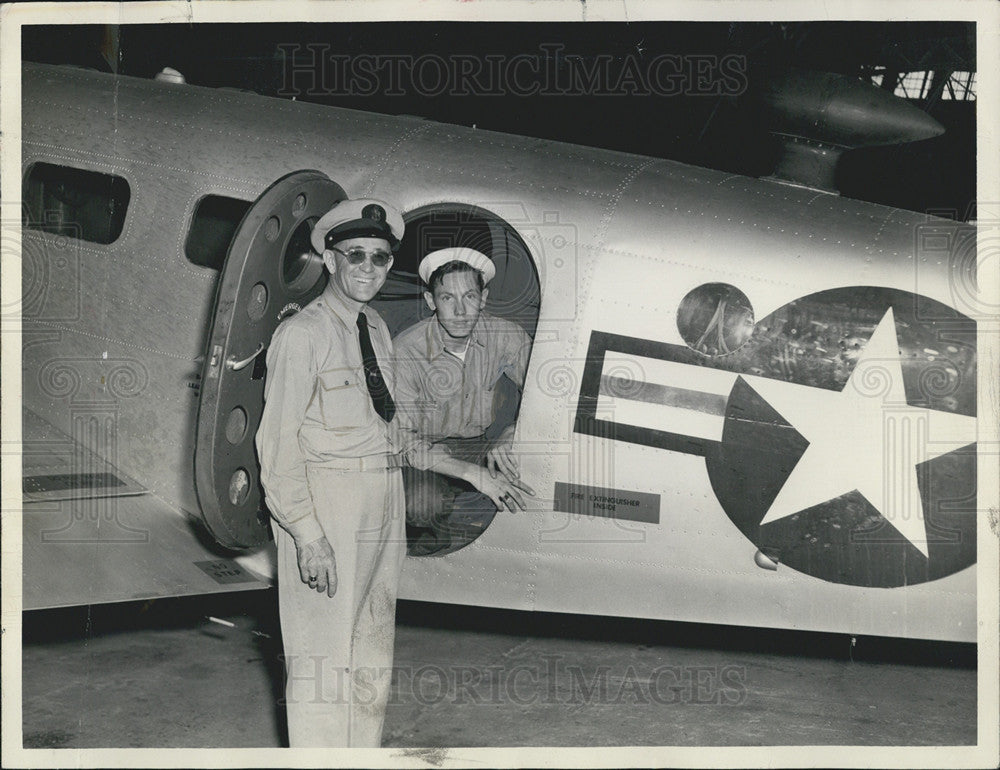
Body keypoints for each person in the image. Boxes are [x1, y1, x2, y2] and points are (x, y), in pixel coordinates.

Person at [256, 204, 529, 746]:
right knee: (321, 662)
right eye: (355, 256)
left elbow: (396, 435)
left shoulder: (375, 327)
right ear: (331, 261)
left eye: (379, 258)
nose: (368, 268)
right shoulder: (302, 336)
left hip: (382, 498)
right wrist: (308, 536)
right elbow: (276, 446)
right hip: (328, 503)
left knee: (371, 653)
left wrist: (471, 474)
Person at [393, 247, 534, 555]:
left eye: (469, 297)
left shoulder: (503, 334)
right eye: (447, 298)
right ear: (431, 301)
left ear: (483, 298)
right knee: (422, 504)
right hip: (425, 452)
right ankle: (424, 547)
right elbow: (403, 443)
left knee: (538, 477)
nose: (460, 311)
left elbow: (549, 392)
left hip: (478, 444)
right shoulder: (405, 352)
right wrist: (473, 474)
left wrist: (512, 433)